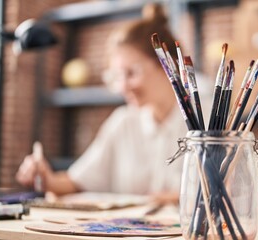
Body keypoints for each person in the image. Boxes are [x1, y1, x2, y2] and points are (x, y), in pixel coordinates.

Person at [16, 3, 193, 203]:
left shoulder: (205, 123)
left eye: (131, 73)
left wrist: (173, 199)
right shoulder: (122, 122)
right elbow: (76, 182)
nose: (122, 87)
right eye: (117, 76)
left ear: (166, 66)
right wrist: (46, 178)